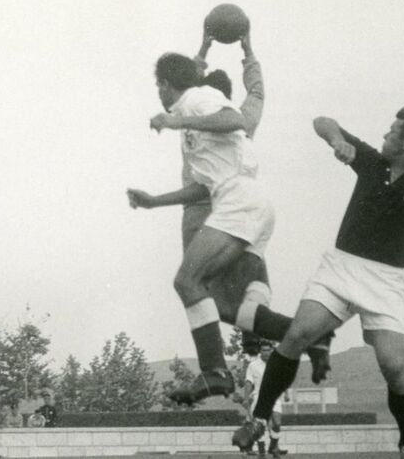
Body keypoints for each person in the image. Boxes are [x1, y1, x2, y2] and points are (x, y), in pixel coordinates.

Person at [232, 106, 404, 459]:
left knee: (394, 366)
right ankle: (258, 418)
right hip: (340, 269)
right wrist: (337, 140)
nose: (384, 136)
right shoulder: (373, 162)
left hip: (385, 282)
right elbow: (321, 121)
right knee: (297, 334)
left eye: (392, 132)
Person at [130, 46, 329, 404]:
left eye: (158, 85)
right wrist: (153, 201)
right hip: (244, 202)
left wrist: (177, 120)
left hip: (240, 201)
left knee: (187, 281)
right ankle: (306, 335)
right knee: (222, 305)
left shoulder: (196, 98)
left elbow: (234, 119)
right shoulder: (192, 111)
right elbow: (202, 187)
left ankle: (215, 374)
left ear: (165, 84)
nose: (157, 94)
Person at [244, 342, 286, 457]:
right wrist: (246, 398)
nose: (265, 352)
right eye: (263, 350)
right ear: (260, 351)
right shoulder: (253, 365)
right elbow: (248, 382)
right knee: (260, 425)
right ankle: (262, 452)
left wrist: (286, 393)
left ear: (271, 351)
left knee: (277, 423)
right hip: (259, 396)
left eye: (268, 350)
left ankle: (272, 447)